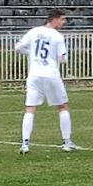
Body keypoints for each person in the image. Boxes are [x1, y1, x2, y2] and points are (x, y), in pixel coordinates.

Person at [14, 9, 78, 153]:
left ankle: (25, 143)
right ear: (54, 19)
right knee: (62, 106)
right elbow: (63, 58)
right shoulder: (57, 36)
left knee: (30, 107)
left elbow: (18, 47)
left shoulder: (34, 31)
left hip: (34, 75)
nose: (63, 22)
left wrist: (31, 54)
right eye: (62, 19)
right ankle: (66, 142)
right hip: (50, 74)